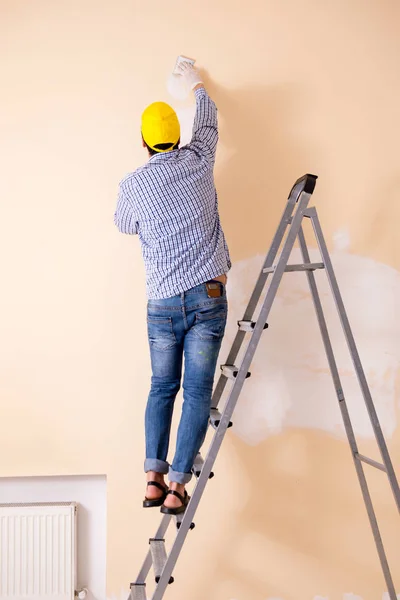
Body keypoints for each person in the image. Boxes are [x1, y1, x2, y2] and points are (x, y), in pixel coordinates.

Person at [114, 61, 231, 515]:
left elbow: (124, 224)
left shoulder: (134, 184)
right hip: (208, 297)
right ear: (177, 137)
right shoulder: (199, 159)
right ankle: (179, 486)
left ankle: (152, 480)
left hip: (161, 302)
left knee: (162, 387)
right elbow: (210, 116)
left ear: (144, 142)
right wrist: (195, 83)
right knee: (197, 392)